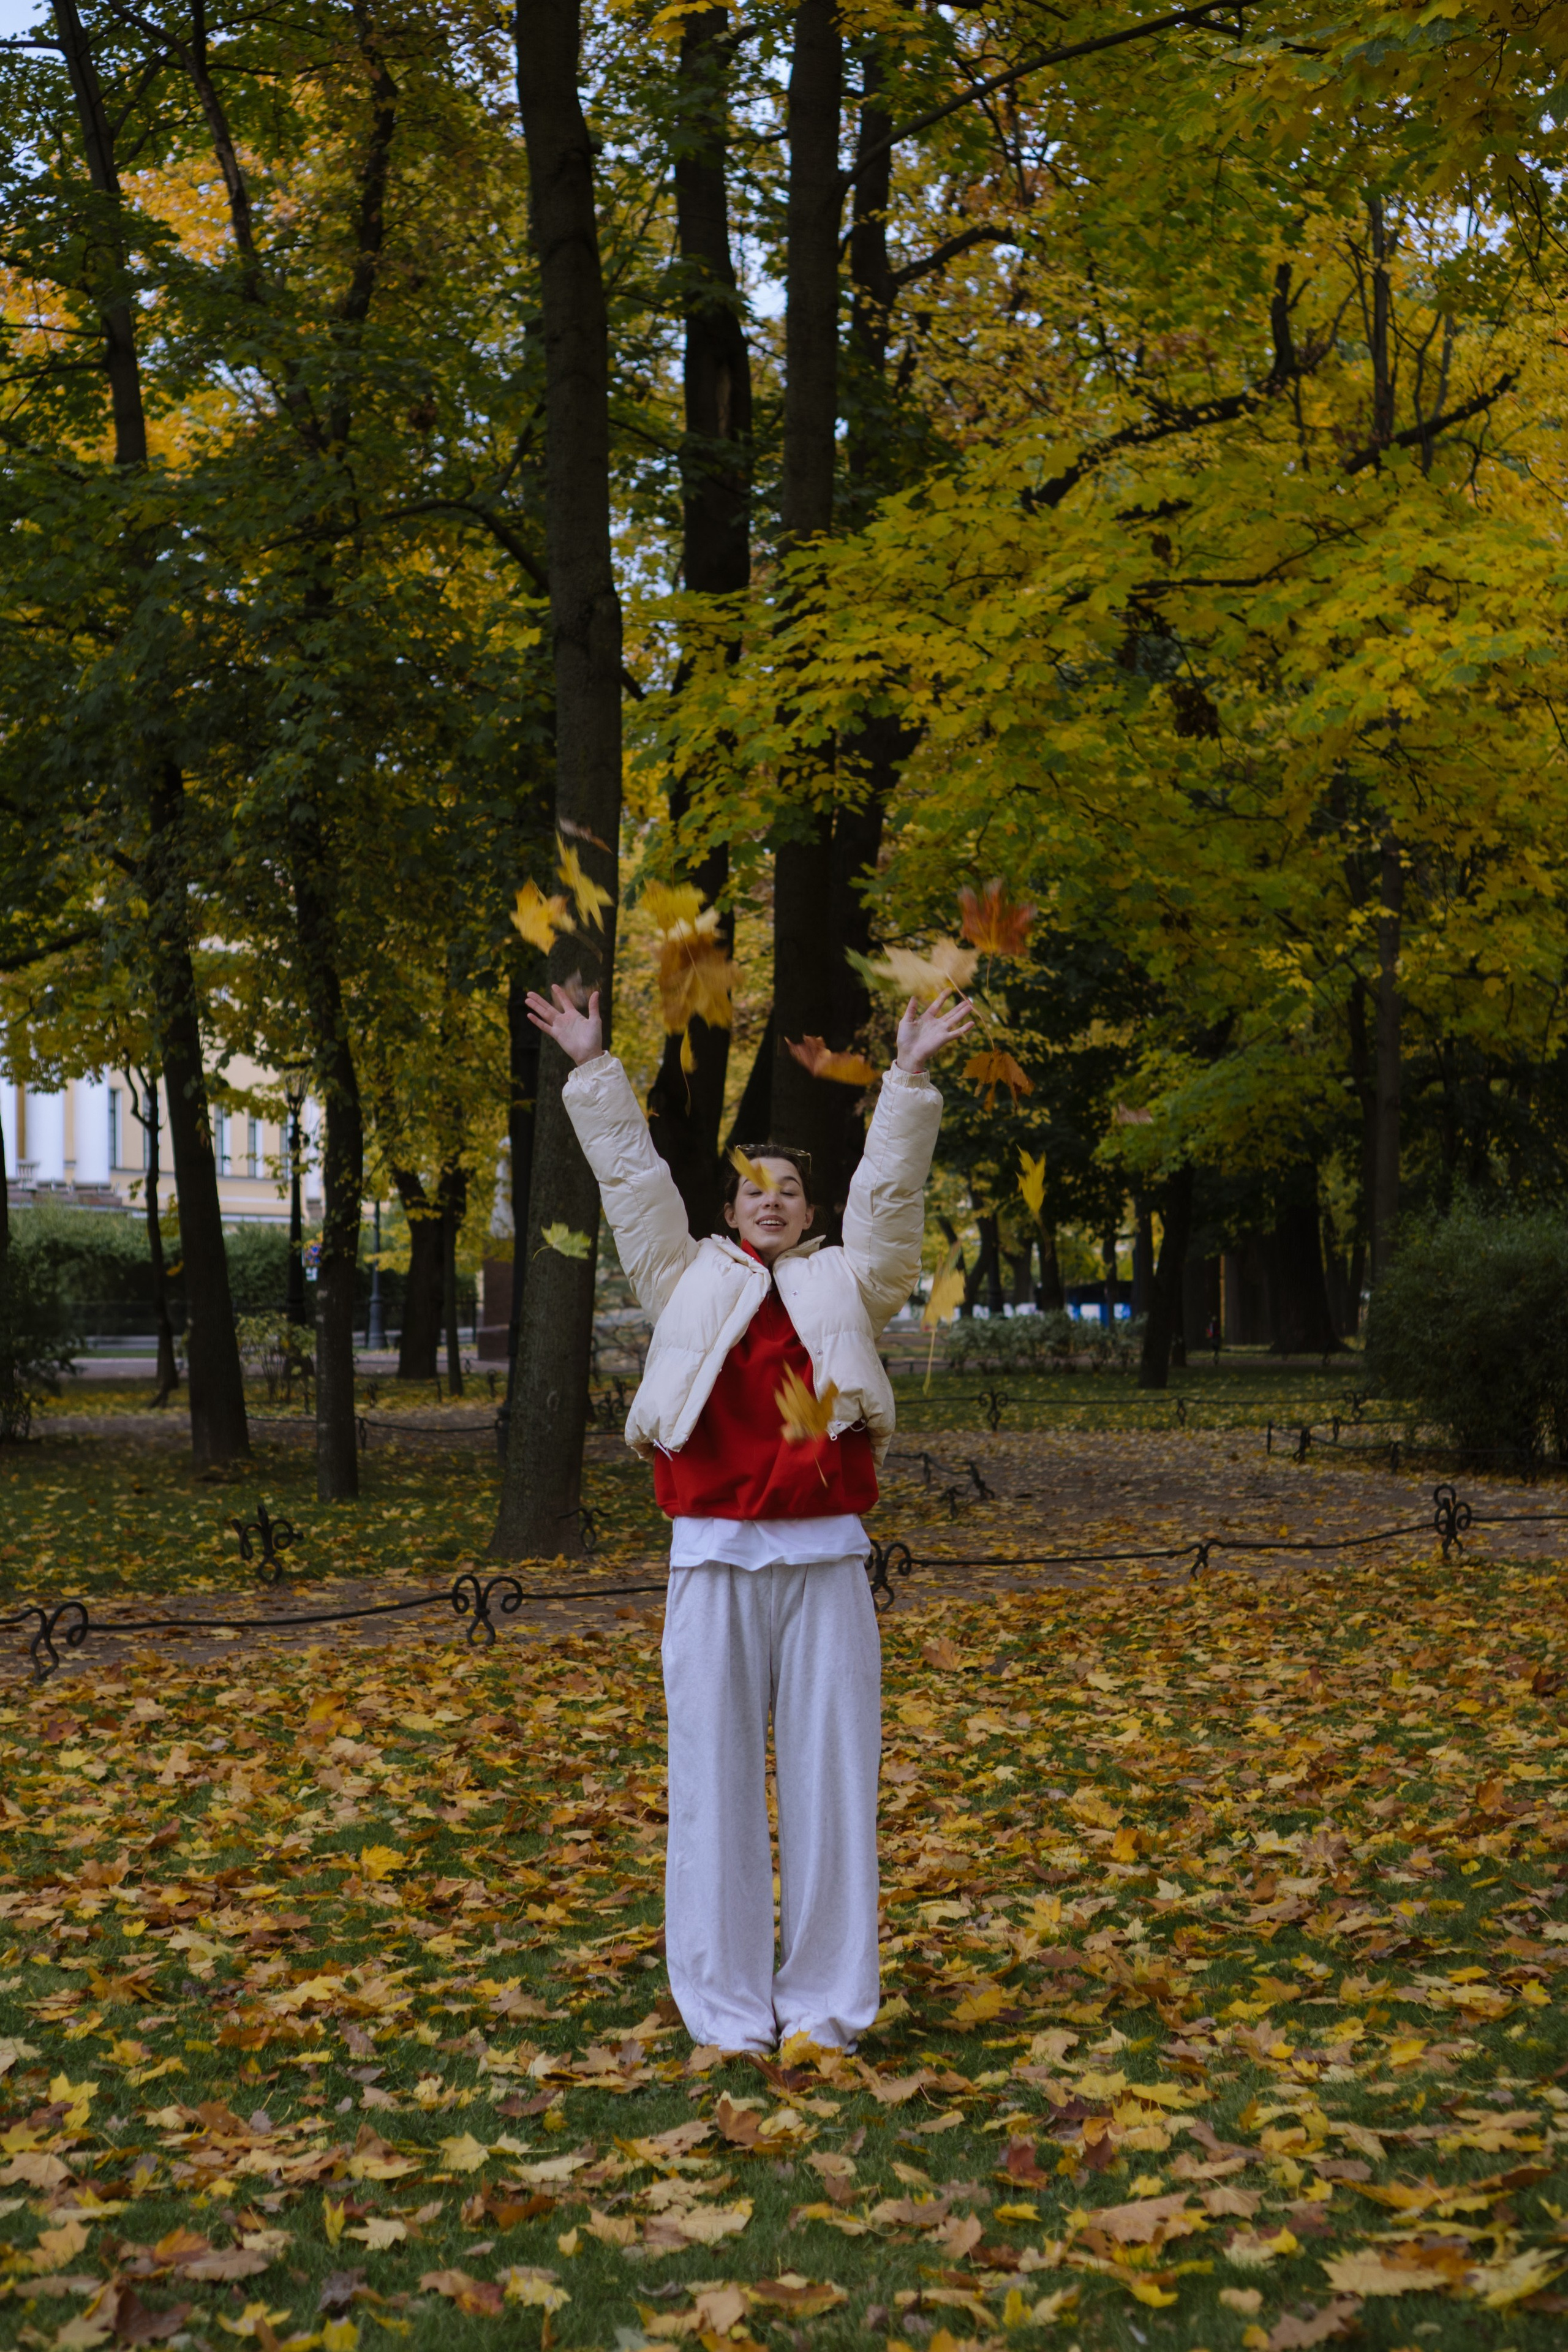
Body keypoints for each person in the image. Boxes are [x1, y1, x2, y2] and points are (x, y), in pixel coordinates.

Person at [527, 979, 973, 2053]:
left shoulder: (851, 1287)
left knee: (832, 1797)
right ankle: (727, 2015)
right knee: (712, 1801)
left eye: (790, 1192)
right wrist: (593, 1068)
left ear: (811, 1214)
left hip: (824, 1565)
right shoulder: (682, 1281)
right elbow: (634, 1186)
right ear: (728, 1211)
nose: (770, 1202)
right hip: (713, 1561)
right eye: (752, 1191)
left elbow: (891, 1199)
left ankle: (824, 2011)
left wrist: (906, 1079)